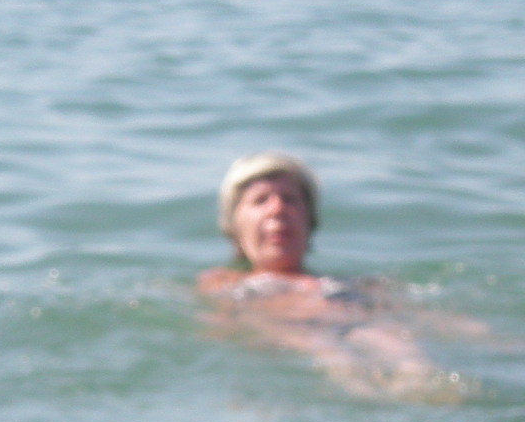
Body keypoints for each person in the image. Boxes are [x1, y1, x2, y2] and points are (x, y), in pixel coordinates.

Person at [197, 153, 483, 402]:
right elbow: (222, 327)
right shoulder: (225, 280)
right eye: (260, 200)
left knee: (406, 353)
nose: (278, 209)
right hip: (302, 331)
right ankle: (374, 402)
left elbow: (429, 317)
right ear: (233, 226)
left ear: (310, 221)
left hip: (354, 312)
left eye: (290, 199)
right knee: (333, 355)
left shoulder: (352, 283)